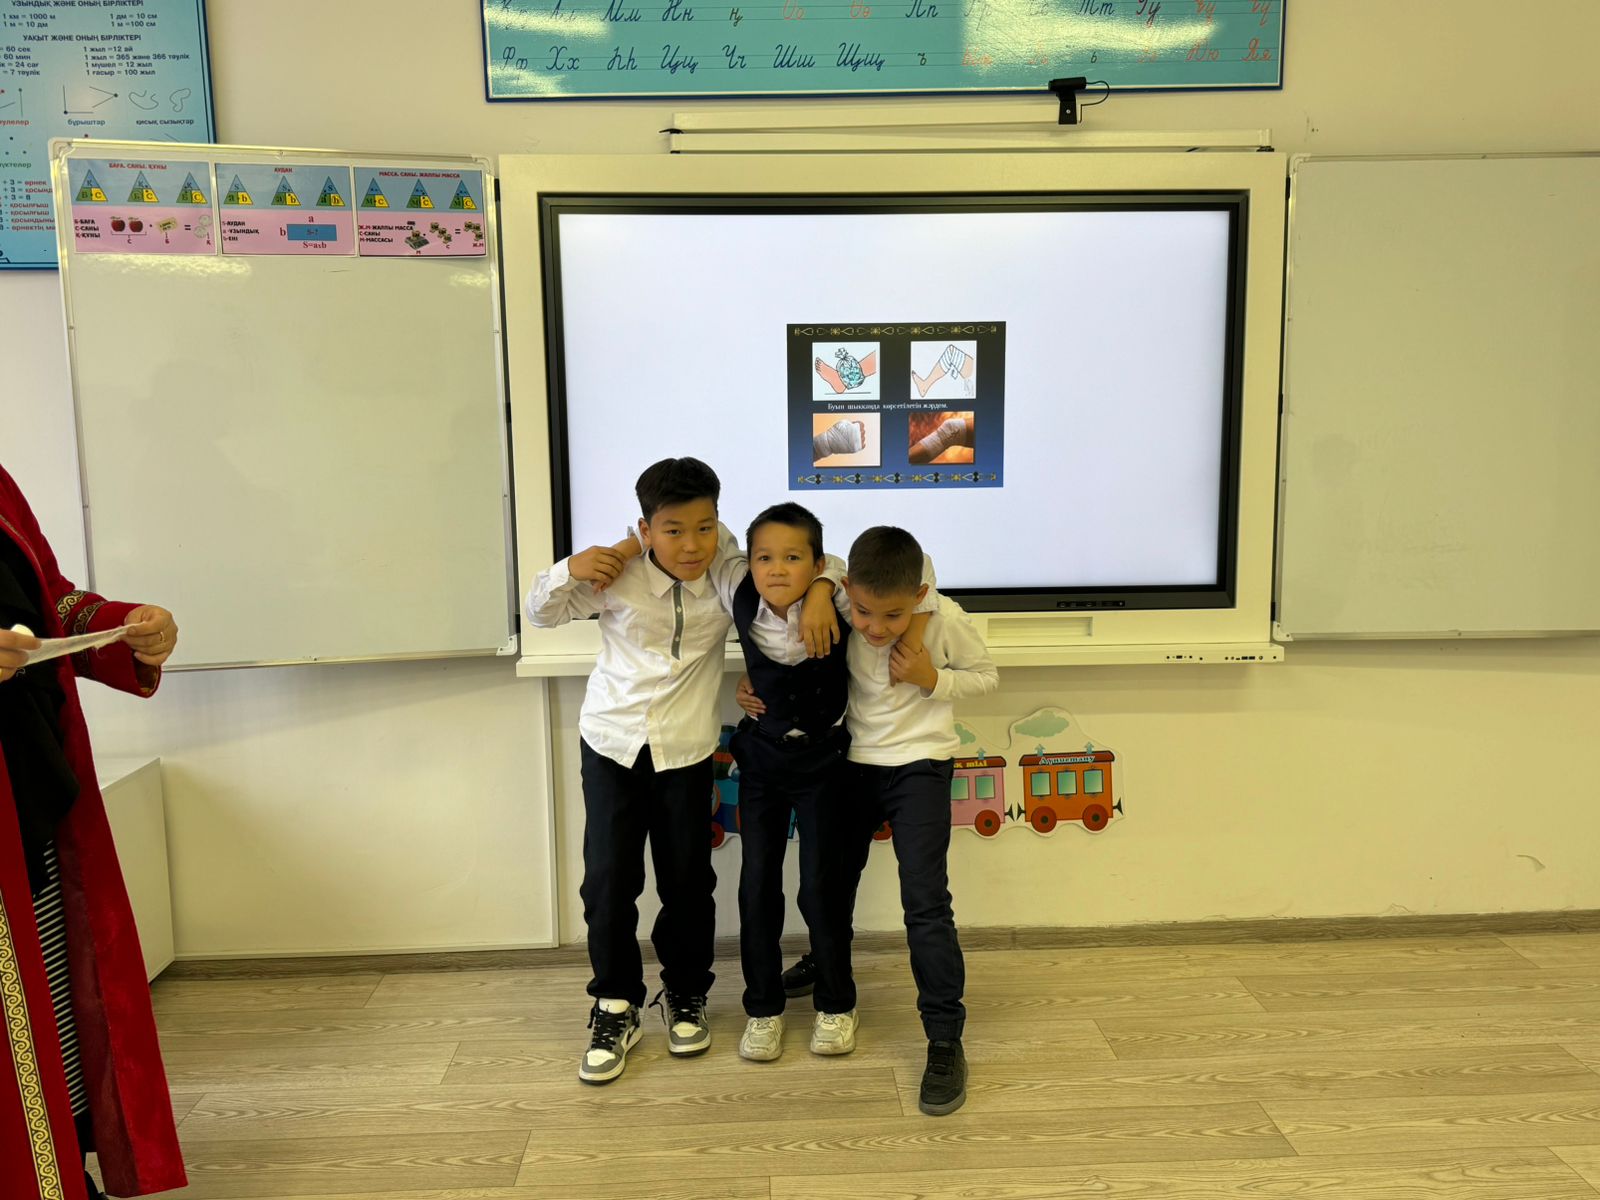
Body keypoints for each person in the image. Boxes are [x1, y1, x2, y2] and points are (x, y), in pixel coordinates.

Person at [524, 458, 837, 1085]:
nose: (691, 544)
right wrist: (570, 567)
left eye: (704, 527)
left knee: (688, 881)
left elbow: (800, 565)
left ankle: (686, 993)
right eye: (673, 531)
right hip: (612, 743)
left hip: (686, 750)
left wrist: (825, 588)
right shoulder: (616, 573)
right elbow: (541, 613)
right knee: (608, 881)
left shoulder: (727, 569)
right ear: (645, 529)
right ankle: (615, 1004)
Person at [0, 464, 186, 1200]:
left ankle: (63, 1173)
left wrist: (127, 625)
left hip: (30, 782)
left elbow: (51, 599)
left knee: (54, 1009)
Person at [723, 504, 934, 1063]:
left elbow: (919, 571)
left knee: (822, 887)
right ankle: (762, 1008)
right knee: (756, 887)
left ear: (817, 563)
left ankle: (837, 1003)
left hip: (824, 764)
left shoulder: (840, 598)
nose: (776, 569)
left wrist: (820, 589)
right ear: (749, 562)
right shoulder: (736, 592)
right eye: (764, 558)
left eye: (793, 558)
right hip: (762, 761)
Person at [820, 526, 997, 1116]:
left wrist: (933, 679)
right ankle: (827, 971)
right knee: (829, 887)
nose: (874, 628)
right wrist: (824, 594)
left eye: (893, 615)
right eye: (863, 612)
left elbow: (986, 676)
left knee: (925, 903)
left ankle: (944, 1038)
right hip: (853, 765)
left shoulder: (944, 618)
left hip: (921, 766)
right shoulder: (839, 599)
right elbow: (818, 567)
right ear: (849, 590)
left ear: (919, 596)